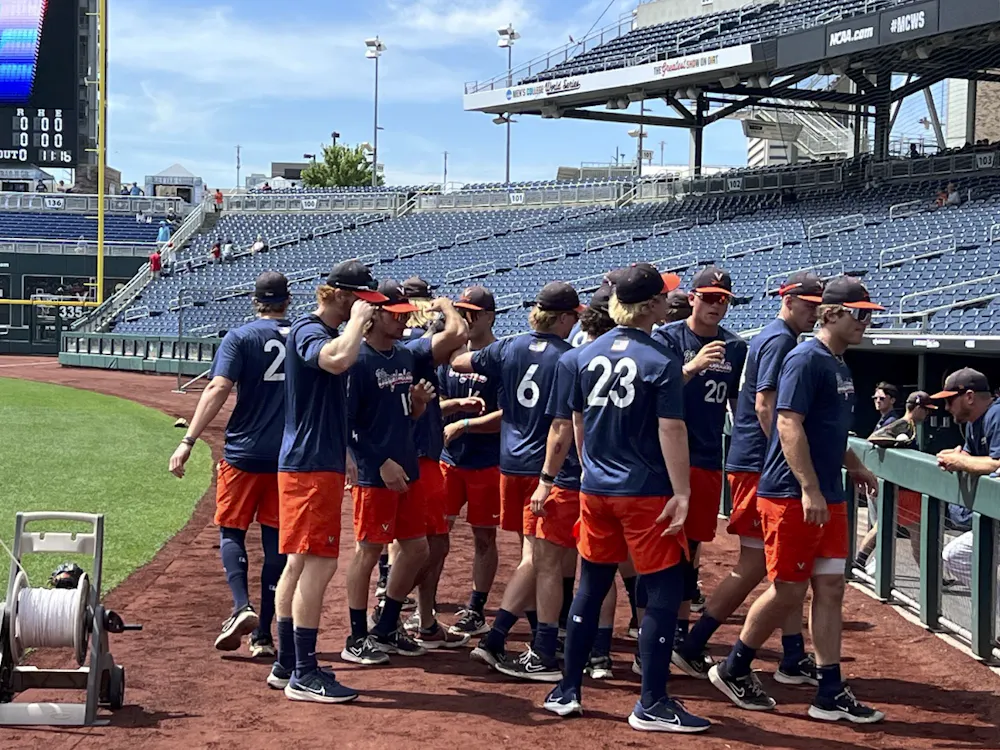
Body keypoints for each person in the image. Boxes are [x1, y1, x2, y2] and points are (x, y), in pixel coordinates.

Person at [709, 275, 885, 724]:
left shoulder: (838, 363)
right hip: (792, 494)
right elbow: (787, 423)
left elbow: (828, 429)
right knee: (788, 589)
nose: (865, 321)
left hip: (826, 492)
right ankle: (733, 667)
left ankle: (829, 690)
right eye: (859, 313)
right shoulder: (805, 358)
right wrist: (808, 488)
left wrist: (853, 464)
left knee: (830, 587)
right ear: (833, 313)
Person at [543, 263, 711, 733]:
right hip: (645, 491)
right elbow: (671, 429)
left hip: (595, 488)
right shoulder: (661, 360)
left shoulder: (577, 356)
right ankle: (652, 702)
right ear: (653, 305)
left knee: (590, 586)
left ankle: (567, 689)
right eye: (663, 298)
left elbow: (574, 425)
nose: (667, 303)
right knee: (661, 593)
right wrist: (682, 491)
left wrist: (593, 468)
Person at [673, 271, 823, 682]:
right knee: (755, 564)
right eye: (809, 305)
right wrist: (788, 458)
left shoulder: (760, 340)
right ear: (788, 300)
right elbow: (764, 406)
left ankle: (791, 655)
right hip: (757, 464)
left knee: (784, 568)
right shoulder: (778, 339)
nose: (815, 312)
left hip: (749, 461)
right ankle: (691, 644)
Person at [268, 260, 386, 703]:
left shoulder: (319, 330)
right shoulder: (308, 330)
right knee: (318, 563)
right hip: (309, 466)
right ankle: (303, 670)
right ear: (338, 294)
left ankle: (286, 664)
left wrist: (348, 452)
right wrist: (355, 324)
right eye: (362, 300)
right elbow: (337, 360)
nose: (368, 309)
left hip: (316, 461)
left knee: (299, 563)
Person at [453, 282, 582, 679]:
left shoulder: (509, 346)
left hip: (511, 463)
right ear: (562, 318)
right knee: (541, 560)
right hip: (549, 469)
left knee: (543, 556)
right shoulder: (570, 357)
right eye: (572, 317)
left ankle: (537, 635)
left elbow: (460, 363)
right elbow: (563, 426)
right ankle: (521, 641)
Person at [168, 272, 293, 657]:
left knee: (231, 530)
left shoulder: (240, 337)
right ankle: (265, 637)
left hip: (244, 451)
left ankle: (242, 606)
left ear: (256, 301)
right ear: (287, 301)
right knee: (276, 546)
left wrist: (188, 439)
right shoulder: (306, 335)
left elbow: (219, 387)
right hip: (288, 455)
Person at [343, 280, 467, 665]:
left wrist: (416, 408)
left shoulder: (402, 357)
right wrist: (378, 461)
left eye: (404, 315)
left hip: (407, 468)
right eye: (395, 316)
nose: (403, 322)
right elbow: (345, 426)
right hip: (374, 473)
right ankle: (357, 636)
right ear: (374, 315)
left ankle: (387, 626)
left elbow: (401, 418)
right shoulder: (358, 361)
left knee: (417, 549)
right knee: (368, 552)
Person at [530, 279, 646, 681]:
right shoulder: (649, 355)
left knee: (562, 566)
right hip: (623, 479)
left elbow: (564, 428)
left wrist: (547, 477)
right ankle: (601, 651)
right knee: (608, 569)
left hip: (580, 477)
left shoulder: (577, 358)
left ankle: (554, 651)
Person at [654, 266, 747, 653]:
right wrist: (692, 367)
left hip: (707, 456)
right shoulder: (667, 338)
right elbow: (656, 392)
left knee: (691, 548)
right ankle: (647, 627)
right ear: (692, 298)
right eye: (709, 297)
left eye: (722, 299)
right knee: (660, 546)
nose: (716, 305)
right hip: (663, 459)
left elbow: (737, 405)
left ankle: (676, 629)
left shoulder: (735, 346)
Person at [438, 287, 504, 637]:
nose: (467, 318)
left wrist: (466, 424)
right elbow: (438, 399)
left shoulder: (500, 355)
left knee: (484, 537)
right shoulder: (450, 354)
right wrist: (453, 412)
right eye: (463, 311)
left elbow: (509, 414)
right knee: (436, 532)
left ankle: (476, 608)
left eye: (474, 312)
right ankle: (426, 605)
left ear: (490, 315)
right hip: (450, 459)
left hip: (487, 461)